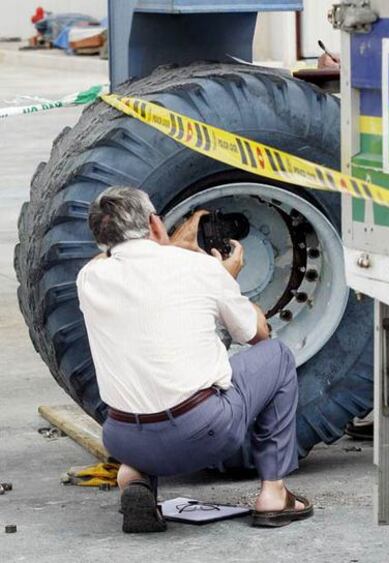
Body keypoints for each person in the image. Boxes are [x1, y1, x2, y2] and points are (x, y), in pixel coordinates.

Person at [76, 186, 313, 533]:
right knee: (276, 356)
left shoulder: (89, 278)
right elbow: (258, 334)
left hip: (122, 437)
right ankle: (274, 494)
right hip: (201, 433)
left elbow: (115, 259)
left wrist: (168, 243)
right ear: (155, 224)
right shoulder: (201, 268)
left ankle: (136, 474)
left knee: (144, 372)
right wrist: (226, 278)